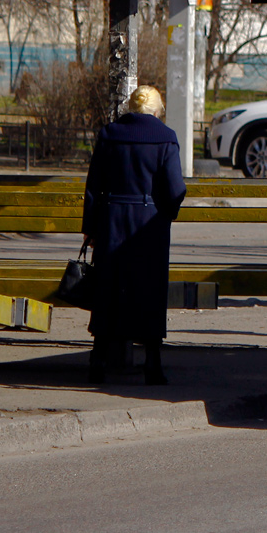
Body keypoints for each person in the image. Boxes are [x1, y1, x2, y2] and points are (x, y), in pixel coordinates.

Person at [81, 86, 186, 385]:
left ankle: (97, 362)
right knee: (149, 290)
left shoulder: (110, 134)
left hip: (111, 220)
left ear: (131, 107)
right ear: (156, 111)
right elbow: (176, 189)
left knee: (108, 289)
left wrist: (91, 228)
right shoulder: (166, 137)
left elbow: (93, 186)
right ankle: (152, 364)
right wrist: (166, 214)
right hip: (148, 224)